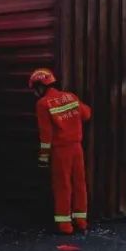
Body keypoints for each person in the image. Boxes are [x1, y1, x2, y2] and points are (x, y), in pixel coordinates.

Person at [30, 68, 92, 235]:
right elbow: (87, 114)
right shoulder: (71, 97)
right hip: (77, 148)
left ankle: (65, 225)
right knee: (79, 183)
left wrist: (43, 158)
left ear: (39, 87)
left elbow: (46, 135)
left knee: (62, 185)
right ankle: (81, 221)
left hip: (60, 151)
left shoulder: (43, 104)